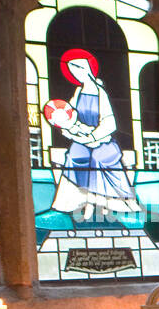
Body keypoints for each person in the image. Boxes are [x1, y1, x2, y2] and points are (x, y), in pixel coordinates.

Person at [50, 48, 141, 220]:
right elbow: (69, 114)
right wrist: (72, 128)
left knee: (99, 159)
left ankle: (103, 204)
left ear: (86, 70)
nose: (75, 74)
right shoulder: (77, 92)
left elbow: (110, 122)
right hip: (81, 138)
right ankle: (77, 203)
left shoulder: (101, 93)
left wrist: (93, 137)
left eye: (77, 70)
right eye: (72, 71)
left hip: (103, 140)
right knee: (74, 156)